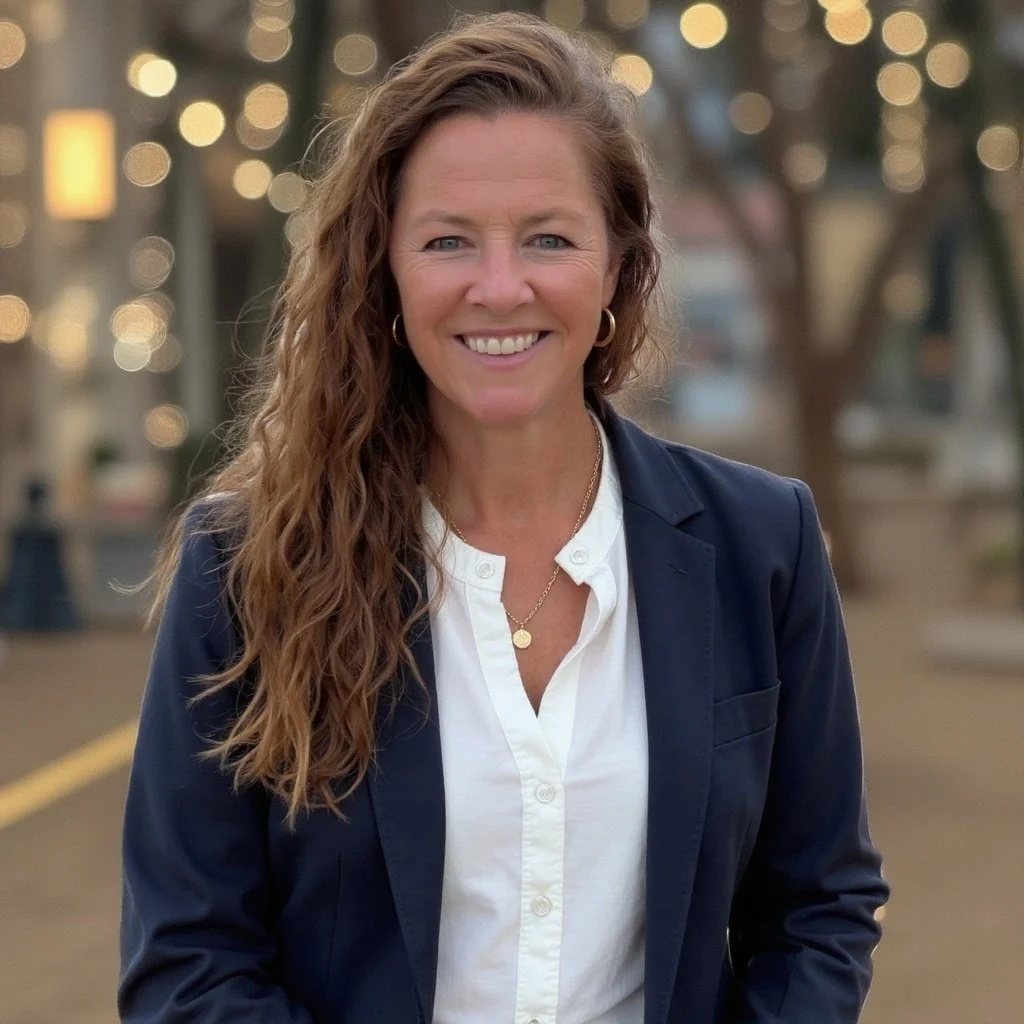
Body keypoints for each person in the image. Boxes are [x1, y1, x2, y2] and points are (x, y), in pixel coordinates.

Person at [118, 12, 888, 1024]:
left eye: (547, 238)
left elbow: (817, 909)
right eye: (446, 241)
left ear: (619, 267)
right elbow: (188, 956)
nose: (498, 286)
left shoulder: (763, 544)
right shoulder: (246, 566)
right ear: (383, 269)